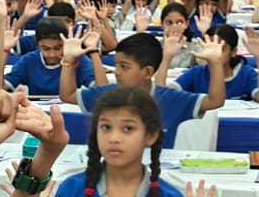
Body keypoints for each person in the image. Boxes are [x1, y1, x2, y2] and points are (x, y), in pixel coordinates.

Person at [13, 86, 218, 197]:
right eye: (105, 127)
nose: (114, 138)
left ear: (150, 136)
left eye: (128, 129)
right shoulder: (71, 189)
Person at [62, 31, 230, 143]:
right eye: (116, 65)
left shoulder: (170, 98)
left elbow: (215, 101)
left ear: (148, 71)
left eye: (125, 67)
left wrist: (215, 64)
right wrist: (68, 59)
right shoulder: (107, 94)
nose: (117, 73)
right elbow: (67, 95)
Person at [0, 16, 95, 98]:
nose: (52, 54)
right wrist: (5, 51)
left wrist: (93, 50)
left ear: (65, 42)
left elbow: (100, 91)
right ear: (37, 44)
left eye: (58, 48)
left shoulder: (79, 59)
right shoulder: (29, 60)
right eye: (46, 49)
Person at [170, 23, 259, 102]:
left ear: (233, 52)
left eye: (221, 48)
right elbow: (165, 94)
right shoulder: (196, 73)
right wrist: (167, 57)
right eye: (210, 47)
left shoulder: (246, 73)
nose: (214, 53)